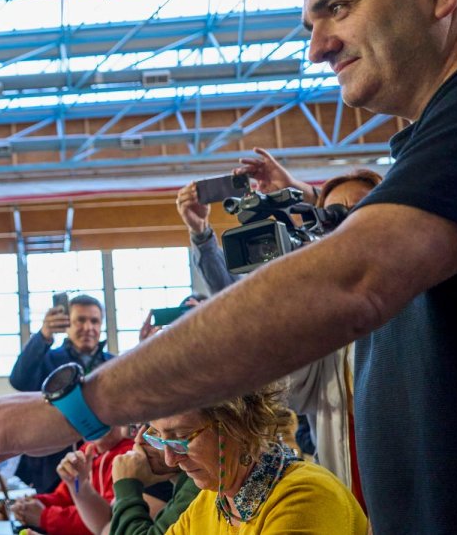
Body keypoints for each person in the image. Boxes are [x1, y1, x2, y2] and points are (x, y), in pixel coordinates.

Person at [0, 0, 457, 534]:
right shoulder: (430, 155)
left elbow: (349, 281)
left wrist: (74, 408)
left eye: (337, 8)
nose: (317, 48)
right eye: (309, 25)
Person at [178, 158, 382, 504]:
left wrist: (306, 192)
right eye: (331, 217)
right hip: (353, 493)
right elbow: (247, 317)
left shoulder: (424, 293)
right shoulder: (328, 331)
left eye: (358, 210)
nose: (344, 225)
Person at [149, 382, 366, 533]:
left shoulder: (305, 498)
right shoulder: (213, 501)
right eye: (158, 438)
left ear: (237, 425)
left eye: (182, 437)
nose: (170, 459)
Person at [8, 294, 113, 491]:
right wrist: (44, 335)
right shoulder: (47, 359)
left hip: (104, 464)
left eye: (94, 321)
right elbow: (19, 380)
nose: (88, 327)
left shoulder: (112, 363)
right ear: (67, 324)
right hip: (52, 466)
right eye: (80, 320)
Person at [9, 425, 134, 535]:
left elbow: (105, 519)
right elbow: (65, 496)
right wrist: (32, 504)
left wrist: (44, 516)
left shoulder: (128, 456)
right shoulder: (87, 450)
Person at [108, 429, 200, 535]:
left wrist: (127, 487)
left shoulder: (198, 485)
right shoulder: (185, 483)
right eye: (136, 428)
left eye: (156, 431)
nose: (138, 439)